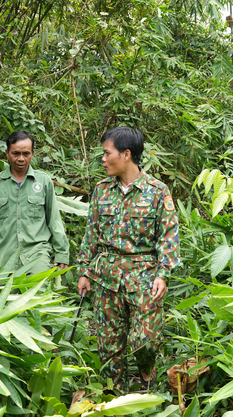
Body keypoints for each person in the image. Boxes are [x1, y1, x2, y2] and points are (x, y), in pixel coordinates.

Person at [77, 127, 180, 392]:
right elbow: (91, 233)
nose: (102, 159)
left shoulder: (157, 191)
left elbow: (168, 236)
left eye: (106, 153)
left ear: (126, 154)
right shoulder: (101, 190)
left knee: (145, 341)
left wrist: (162, 275)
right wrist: (85, 271)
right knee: (109, 348)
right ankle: (116, 399)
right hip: (107, 278)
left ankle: (147, 374)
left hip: (144, 277)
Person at [0, 130, 69, 273]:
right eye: (15, 153)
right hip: (3, 257)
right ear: (7, 153)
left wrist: (62, 253)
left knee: (39, 293)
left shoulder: (43, 181)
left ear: (32, 153)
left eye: (26, 154)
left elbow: (54, 220)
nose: (21, 158)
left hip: (37, 254)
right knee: (2, 295)